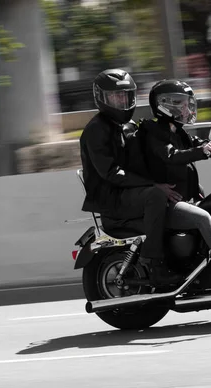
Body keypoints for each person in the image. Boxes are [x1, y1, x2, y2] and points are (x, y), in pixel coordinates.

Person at [140, 79, 211, 283]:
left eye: (188, 104)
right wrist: (203, 150)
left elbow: (202, 146)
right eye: (181, 104)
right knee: (203, 218)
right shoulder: (153, 131)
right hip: (167, 205)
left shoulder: (178, 131)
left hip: (183, 198)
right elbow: (172, 156)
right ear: (165, 105)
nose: (187, 109)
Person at [79, 68, 182, 287]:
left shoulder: (123, 126)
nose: (122, 101)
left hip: (125, 192)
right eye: (116, 97)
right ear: (102, 98)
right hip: (111, 199)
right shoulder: (96, 129)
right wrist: (154, 185)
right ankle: (154, 263)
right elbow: (110, 172)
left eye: (126, 96)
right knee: (155, 195)